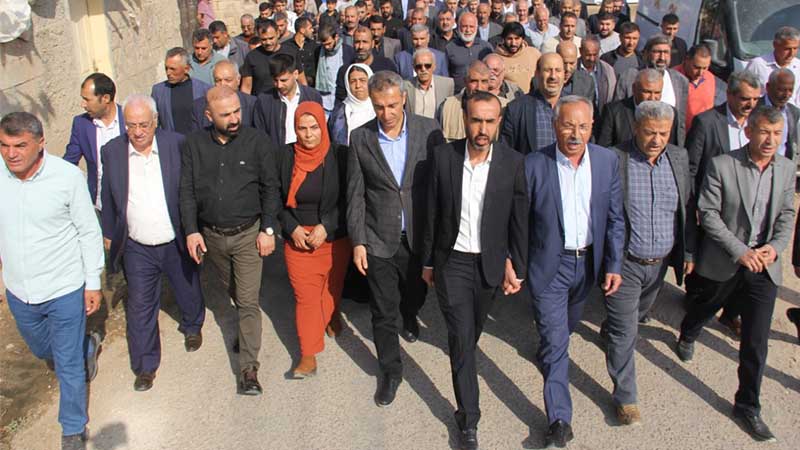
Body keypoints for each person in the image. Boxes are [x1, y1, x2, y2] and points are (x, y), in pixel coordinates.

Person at [676, 106, 795, 443]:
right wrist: (740, 251)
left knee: (756, 340)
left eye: (777, 134)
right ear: (749, 132)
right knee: (706, 305)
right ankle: (689, 331)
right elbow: (708, 213)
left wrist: (774, 248)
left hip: (763, 264)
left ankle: (747, 405)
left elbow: (787, 214)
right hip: (728, 258)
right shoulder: (722, 165)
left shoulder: (786, 169)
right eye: (764, 132)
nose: (770, 140)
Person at [421, 91, 528, 450]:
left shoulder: (512, 163)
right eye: (476, 120)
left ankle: (464, 367)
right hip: (452, 262)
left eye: (489, 121)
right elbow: (431, 213)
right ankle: (468, 420)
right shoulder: (443, 158)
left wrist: (517, 265)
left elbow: (519, 220)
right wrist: (428, 261)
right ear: (465, 120)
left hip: (489, 264)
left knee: (472, 330)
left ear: (499, 122)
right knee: (462, 339)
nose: (482, 129)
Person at [524, 95, 624, 448]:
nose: (575, 134)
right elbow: (520, 222)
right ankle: (559, 420)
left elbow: (615, 219)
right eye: (568, 125)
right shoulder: (534, 164)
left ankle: (549, 352)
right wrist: (515, 264)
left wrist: (613, 264)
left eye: (582, 126)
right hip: (551, 266)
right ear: (555, 126)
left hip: (588, 266)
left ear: (592, 127)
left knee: (565, 329)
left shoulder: (607, 161)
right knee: (557, 342)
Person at [0, 112, 104, 450]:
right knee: (44, 350)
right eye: (4, 145)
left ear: (40, 143)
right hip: (19, 290)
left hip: (64, 288)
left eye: (19, 145)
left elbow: (88, 231)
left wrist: (92, 282)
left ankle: (72, 428)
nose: (11, 153)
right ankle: (88, 346)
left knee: (67, 362)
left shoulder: (67, 177)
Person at [346, 71, 445, 406]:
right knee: (382, 310)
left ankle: (410, 313)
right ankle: (390, 371)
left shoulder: (429, 130)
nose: (386, 113)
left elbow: (440, 185)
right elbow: (355, 194)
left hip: (419, 235)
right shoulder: (360, 138)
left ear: (403, 98)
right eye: (379, 107)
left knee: (415, 293)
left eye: (391, 105)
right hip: (379, 237)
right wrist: (358, 241)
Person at [100, 94, 205, 391]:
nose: (137, 132)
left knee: (187, 287)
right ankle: (145, 366)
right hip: (137, 245)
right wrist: (108, 232)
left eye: (143, 125)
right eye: (131, 125)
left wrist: (194, 228)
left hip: (174, 237)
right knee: (140, 305)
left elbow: (191, 189)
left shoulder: (176, 144)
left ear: (156, 122)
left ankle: (192, 324)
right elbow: (107, 195)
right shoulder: (112, 152)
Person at [180, 86, 281, 395]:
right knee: (235, 292)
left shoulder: (257, 142)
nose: (235, 118)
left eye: (237, 111)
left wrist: (268, 229)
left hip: (249, 235)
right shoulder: (194, 145)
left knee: (248, 301)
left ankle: (248, 370)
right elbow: (187, 191)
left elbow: (271, 188)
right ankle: (246, 332)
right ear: (208, 116)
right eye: (226, 115)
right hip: (213, 238)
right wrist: (191, 230)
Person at [603, 100, 694, 425]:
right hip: (625, 263)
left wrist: (688, 253)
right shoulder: (615, 158)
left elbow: (686, 209)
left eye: (663, 133)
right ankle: (626, 398)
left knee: (638, 314)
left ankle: (611, 326)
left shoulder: (679, 158)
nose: (657, 140)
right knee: (625, 332)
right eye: (650, 132)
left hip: (660, 265)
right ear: (635, 129)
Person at [276, 102, 352, 378]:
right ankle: (308, 355)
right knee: (306, 297)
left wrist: (326, 225)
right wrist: (292, 228)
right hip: (298, 240)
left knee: (331, 288)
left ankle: (332, 315)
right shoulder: (284, 156)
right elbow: (274, 198)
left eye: (314, 127)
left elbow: (349, 200)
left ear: (323, 127)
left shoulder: (340, 156)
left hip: (332, 239)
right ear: (294, 129)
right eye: (302, 128)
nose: (308, 134)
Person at [64, 73, 125, 212]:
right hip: (100, 206)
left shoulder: (129, 119)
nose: (83, 104)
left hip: (132, 203)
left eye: (87, 99)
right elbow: (69, 162)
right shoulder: (81, 124)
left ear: (105, 98)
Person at [615, 34, 689, 147]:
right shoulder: (629, 76)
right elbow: (617, 113)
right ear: (646, 54)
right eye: (657, 52)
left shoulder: (680, 81)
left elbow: (681, 123)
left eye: (666, 52)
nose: (662, 57)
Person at [597, 69, 679, 148]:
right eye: (647, 92)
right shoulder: (613, 112)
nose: (652, 98)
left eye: (657, 93)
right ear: (634, 89)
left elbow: (672, 148)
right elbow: (603, 148)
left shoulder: (670, 114)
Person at [255, 54, 323, 148]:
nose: (279, 85)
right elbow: (260, 134)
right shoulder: (264, 101)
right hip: (277, 154)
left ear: (295, 74)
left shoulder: (312, 97)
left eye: (284, 80)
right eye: (275, 80)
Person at [501, 53, 564, 153]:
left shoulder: (576, 108)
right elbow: (506, 152)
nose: (553, 76)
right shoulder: (516, 109)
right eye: (547, 70)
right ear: (537, 74)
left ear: (564, 74)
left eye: (558, 70)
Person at [150, 47, 211, 135]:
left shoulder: (204, 89)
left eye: (173, 69)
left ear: (186, 69)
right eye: (166, 68)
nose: (168, 73)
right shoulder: (158, 91)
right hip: (171, 142)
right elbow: (154, 122)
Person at [334, 27, 398, 105]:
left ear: (373, 43)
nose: (361, 46)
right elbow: (340, 101)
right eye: (357, 42)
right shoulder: (345, 71)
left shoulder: (386, 66)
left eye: (365, 42)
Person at [673, 44, 728, 131]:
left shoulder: (710, 78)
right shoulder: (672, 77)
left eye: (705, 68)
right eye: (696, 67)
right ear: (687, 60)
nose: (700, 73)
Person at [191, 60, 257, 130]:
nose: (222, 84)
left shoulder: (252, 104)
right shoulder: (200, 106)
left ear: (238, 79)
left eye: (228, 80)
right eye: (218, 80)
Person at [746, 27, 800, 107]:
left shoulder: (798, 66)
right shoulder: (757, 65)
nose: (791, 53)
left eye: (795, 48)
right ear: (775, 45)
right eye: (787, 49)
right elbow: (746, 93)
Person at [437, 60, 490, 142]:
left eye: (484, 81)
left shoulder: (502, 107)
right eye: (474, 81)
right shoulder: (447, 107)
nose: (479, 87)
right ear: (465, 81)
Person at [757, 68, 800, 159]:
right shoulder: (754, 108)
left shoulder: (793, 112)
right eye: (781, 90)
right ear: (768, 87)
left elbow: (791, 145)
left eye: (790, 90)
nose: (786, 95)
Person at [241, 20, 292, 95]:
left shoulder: (290, 52)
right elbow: (246, 87)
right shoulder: (252, 57)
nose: (268, 43)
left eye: (271, 38)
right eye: (264, 39)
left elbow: (301, 80)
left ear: (278, 34)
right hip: (261, 100)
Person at [329, 64, 376, 146]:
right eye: (353, 81)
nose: (358, 86)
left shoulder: (379, 107)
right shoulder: (339, 112)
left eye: (362, 80)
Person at [445, 12, 492, 93]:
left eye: (471, 26)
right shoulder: (450, 48)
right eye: (464, 26)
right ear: (458, 27)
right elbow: (445, 74)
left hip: (481, 94)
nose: (468, 30)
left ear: (476, 27)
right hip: (457, 94)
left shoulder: (486, 47)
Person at [316, 23, 356, 115]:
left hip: (343, 100)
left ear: (336, 37)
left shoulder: (348, 51)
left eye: (329, 43)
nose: (326, 47)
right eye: (324, 44)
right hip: (325, 101)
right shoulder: (318, 52)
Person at [404, 49, 454, 119]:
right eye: (419, 66)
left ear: (434, 66)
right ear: (414, 68)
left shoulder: (447, 85)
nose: (423, 69)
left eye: (427, 66)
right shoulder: (405, 86)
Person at [494, 22, 540, 94]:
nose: (513, 43)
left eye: (517, 39)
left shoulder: (534, 53)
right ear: (503, 39)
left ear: (523, 39)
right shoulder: (495, 59)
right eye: (509, 39)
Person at [578, 36, 616, 112]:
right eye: (588, 55)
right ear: (580, 51)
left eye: (595, 55)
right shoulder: (573, 69)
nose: (592, 59)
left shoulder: (607, 70)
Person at [284, 17, 319, 87]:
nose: (312, 30)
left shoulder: (314, 46)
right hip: (294, 85)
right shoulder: (286, 46)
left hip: (312, 87)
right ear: (302, 30)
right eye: (310, 28)